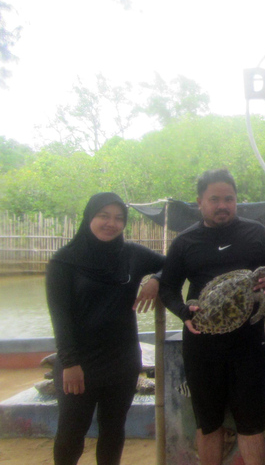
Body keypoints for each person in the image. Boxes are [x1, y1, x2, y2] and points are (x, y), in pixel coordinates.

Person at [158, 169, 265, 465]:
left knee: (252, 422)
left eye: (229, 199)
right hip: (203, 344)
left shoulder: (256, 233)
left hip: (248, 343)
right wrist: (182, 312)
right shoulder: (184, 242)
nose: (223, 205)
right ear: (200, 202)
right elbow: (168, 288)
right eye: (214, 199)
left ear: (236, 201)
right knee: (209, 423)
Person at [46, 192, 164, 465]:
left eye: (118, 218)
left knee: (113, 431)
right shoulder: (63, 262)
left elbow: (174, 264)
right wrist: (70, 363)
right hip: (79, 363)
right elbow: (60, 319)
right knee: (71, 434)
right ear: (90, 217)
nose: (111, 223)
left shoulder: (132, 255)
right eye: (104, 216)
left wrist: (156, 279)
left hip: (122, 361)